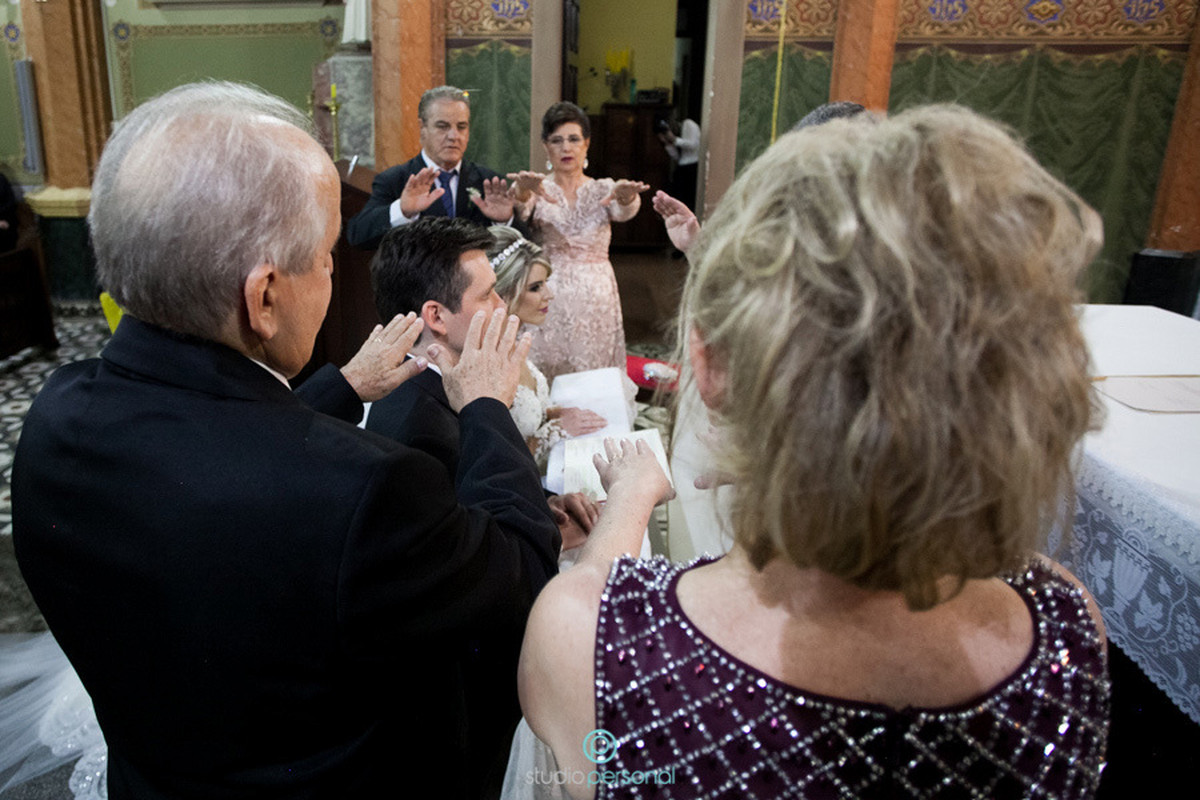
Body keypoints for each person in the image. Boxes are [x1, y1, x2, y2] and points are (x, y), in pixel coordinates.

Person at [517, 105, 1111, 799]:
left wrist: (628, 501)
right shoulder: (1065, 623)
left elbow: (589, 609)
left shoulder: (588, 634)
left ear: (707, 366)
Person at [10, 81, 569, 800]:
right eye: (329, 256)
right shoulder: (368, 490)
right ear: (263, 296)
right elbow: (517, 577)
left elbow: (223, 455)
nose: (336, 273)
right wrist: (488, 405)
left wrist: (339, 388)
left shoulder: (58, 419)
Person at [508, 102, 649, 384]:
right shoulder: (537, 187)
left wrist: (625, 196)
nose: (566, 148)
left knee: (593, 372)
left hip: (595, 297)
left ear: (586, 143)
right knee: (544, 370)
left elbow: (625, 211)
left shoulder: (603, 188)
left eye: (573, 139)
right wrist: (522, 191)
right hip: (547, 293)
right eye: (557, 140)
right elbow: (520, 210)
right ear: (545, 146)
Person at [486, 224, 606, 471]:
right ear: (504, 292)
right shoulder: (487, 360)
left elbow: (520, 418)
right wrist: (554, 431)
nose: (549, 295)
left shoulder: (514, 340)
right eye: (535, 287)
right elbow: (494, 462)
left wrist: (553, 414)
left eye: (545, 283)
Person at [345, 85, 515, 249]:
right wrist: (402, 212)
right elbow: (357, 235)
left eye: (461, 127)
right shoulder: (396, 179)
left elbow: (522, 249)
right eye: (443, 126)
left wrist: (503, 222)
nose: (454, 136)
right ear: (422, 128)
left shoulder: (489, 183)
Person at [655, 116, 700, 212]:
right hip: (682, 168)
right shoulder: (677, 139)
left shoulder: (688, 124)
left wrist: (674, 139)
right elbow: (677, 158)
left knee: (689, 201)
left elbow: (693, 145)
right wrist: (668, 143)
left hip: (693, 167)